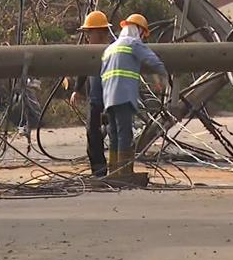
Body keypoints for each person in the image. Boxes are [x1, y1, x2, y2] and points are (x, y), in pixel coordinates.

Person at [100, 13, 167, 176]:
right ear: (139, 31)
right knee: (124, 133)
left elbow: (103, 73)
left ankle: (113, 171)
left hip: (108, 97)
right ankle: (124, 172)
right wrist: (165, 76)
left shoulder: (110, 48)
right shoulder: (133, 43)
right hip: (124, 96)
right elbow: (153, 60)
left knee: (114, 134)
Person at [69, 10, 112, 177]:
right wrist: (77, 90)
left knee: (113, 134)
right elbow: (83, 69)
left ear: (101, 33)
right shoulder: (90, 51)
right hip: (96, 101)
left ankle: (116, 169)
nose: (87, 37)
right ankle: (99, 172)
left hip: (110, 100)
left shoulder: (111, 51)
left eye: (89, 33)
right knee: (93, 137)